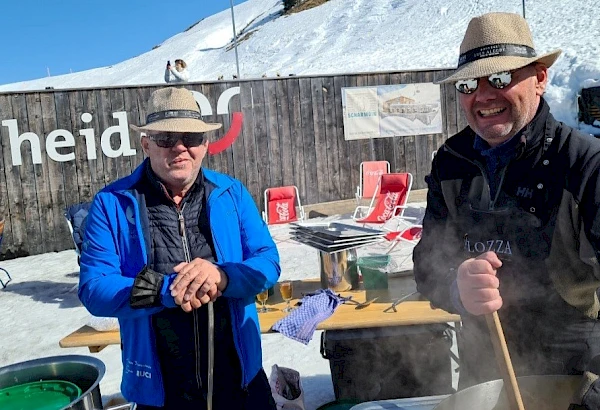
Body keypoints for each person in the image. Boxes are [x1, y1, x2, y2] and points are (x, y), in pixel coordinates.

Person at [413, 11, 600, 392]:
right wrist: (456, 286)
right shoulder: (452, 162)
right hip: (482, 369)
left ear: (540, 79)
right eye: (468, 83)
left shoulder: (583, 164)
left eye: (500, 77)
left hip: (574, 373)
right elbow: (426, 263)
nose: (482, 95)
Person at [78, 87, 280, 409]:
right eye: (165, 138)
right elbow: (94, 288)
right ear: (145, 143)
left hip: (241, 381)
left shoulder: (231, 193)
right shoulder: (112, 203)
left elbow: (268, 262)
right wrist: (166, 289)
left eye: (191, 138)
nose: (180, 148)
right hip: (160, 392)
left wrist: (221, 276)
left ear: (205, 145)